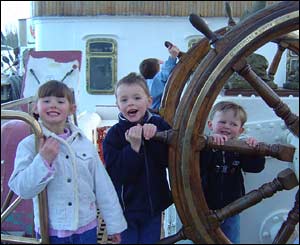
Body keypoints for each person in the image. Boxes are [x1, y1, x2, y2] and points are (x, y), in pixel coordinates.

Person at [8, 80, 127, 244]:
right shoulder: (29, 145)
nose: (53, 105)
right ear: (35, 107)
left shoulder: (85, 144)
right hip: (51, 231)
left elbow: (103, 186)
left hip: (87, 228)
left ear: (72, 108)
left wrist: (114, 225)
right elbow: (22, 188)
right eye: (46, 101)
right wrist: (43, 161)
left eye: (60, 101)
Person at [102, 72, 172, 244]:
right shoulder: (113, 136)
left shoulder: (161, 126)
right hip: (126, 211)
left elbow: (169, 160)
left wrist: (156, 137)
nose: (130, 103)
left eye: (136, 98)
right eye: (124, 100)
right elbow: (117, 175)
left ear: (148, 101)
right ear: (117, 105)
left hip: (153, 208)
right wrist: (133, 148)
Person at [200, 101, 265, 244]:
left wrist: (254, 151)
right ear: (210, 125)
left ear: (241, 130)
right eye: (222, 122)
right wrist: (210, 146)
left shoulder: (240, 149)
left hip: (232, 207)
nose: (227, 127)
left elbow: (255, 167)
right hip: (205, 206)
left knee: (231, 239)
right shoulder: (203, 146)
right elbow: (199, 167)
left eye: (233, 124)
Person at [139, 43, 180, 110]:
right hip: (160, 113)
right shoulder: (156, 81)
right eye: (160, 65)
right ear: (157, 71)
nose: (163, 65)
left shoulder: (143, 84)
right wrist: (173, 56)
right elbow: (166, 72)